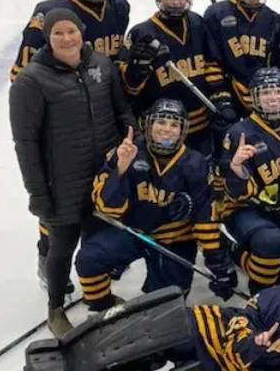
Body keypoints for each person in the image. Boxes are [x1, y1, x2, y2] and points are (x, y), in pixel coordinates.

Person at [23, 251, 280, 371]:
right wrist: (253, 343)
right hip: (209, 332)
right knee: (140, 340)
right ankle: (65, 357)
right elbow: (244, 321)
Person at [9, 8, 136, 337]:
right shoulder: (31, 80)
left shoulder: (102, 66)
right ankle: (55, 307)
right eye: (58, 33)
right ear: (47, 38)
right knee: (62, 247)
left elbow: (121, 110)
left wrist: (130, 136)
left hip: (102, 174)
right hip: (62, 181)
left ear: (82, 32)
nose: (66, 39)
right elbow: (25, 143)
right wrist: (37, 192)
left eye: (71, 31)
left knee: (97, 241)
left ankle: (99, 295)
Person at [10, 0, 131, 286]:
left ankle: (97, 259)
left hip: (101, 112)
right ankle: (47, 257)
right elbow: (23, 75)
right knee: (58, 201)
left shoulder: (119, 5)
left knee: (103, 190)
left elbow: (111, 64)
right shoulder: (49, 12)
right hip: (61, 122)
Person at [77, 98, 237, 313]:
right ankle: (104, 307)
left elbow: (206, 217)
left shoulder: (196, 163)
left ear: (183, 130)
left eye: (174, 125)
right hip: (133, 232)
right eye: (160, 122)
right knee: (89, 259)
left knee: (165, 305)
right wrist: (121, 169)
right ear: (148, 125)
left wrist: (216, 261)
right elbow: (107, 208)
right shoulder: (126, 152)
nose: (166, 130)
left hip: (175, 240)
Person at [120, 0, 234, 157]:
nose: (175, 2)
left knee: (201, 169)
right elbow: (130, 89)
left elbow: (211, 65)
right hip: (162, 130)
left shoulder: (197, 24)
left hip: (200, 128)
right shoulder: (141, 33)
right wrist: (137, 70)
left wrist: (222, 101)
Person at [218, 67, 280, 294]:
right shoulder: (238, 133)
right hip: (245, 208)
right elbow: (233, 193)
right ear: (255, 97)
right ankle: (260, 295)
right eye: (266, 92)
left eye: (278, 91)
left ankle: (238, 253)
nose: (273, 98)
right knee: (271, 244)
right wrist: (236, 167)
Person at [203, 0, 280, 116]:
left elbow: (274, 64)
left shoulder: (273, 19)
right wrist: (221, 97)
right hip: (228, 95)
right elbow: (210, 59)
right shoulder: (217, 14)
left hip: (262, 97)